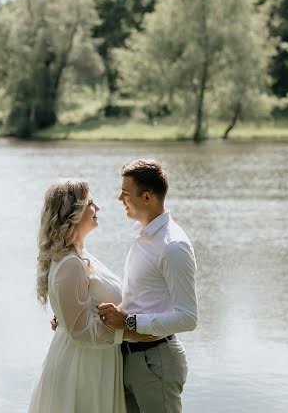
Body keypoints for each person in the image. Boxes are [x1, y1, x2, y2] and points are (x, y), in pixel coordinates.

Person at [28, 179, 158, 413]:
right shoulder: (70, 263)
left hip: (95, 361)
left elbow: (77, 315)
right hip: (83, 367)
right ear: (73, 213)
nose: (97, 207)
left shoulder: (79, 255)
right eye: (90, 202)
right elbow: (80, 331)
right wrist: (131, 331)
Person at [98, 159, 198, 413]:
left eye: (125, 193)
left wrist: (128, 322)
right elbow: (137, 299)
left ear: (146, 197)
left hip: (157, 362)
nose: (120, 199)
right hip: (126, 358)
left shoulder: (173, 246)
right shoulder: (143, 238)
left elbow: (188, 318)